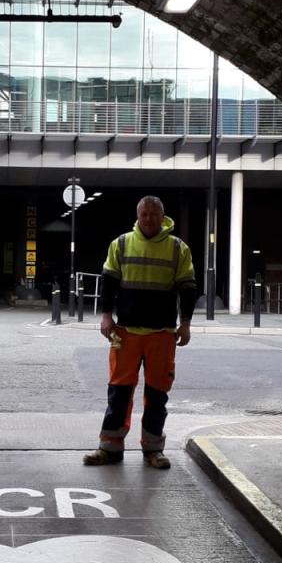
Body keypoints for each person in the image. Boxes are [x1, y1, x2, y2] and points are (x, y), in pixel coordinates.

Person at [84, 195, 197, 470]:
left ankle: (153, 449)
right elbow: (109, 283)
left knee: (158, 394)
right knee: (119, 392)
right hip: (125, 332)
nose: (148, 219)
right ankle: (109, 448)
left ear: (162, 216)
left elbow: (188, 288)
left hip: (162, 333)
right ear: (138, 215)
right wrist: (106, 316)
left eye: (153, 214)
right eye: (144, 214)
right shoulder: (121, 244)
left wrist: (185, 323)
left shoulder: (177, 248)